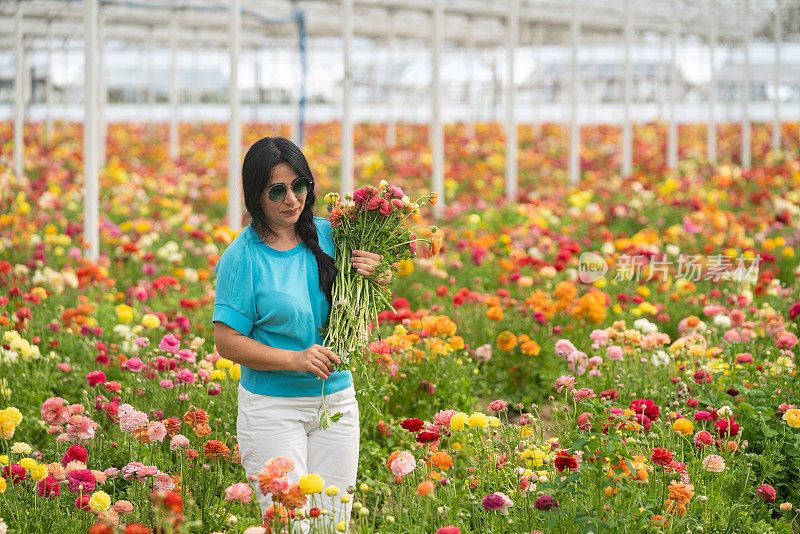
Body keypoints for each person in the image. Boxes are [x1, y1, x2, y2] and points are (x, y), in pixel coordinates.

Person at [212, 136, 390, 530]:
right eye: (277, 190)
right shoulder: (242, 258)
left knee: (333, 521)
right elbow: (226, 342)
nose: (291, 198)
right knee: (291, 524)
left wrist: (379, 274)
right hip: (272, 410)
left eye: (299, 185)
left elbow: (362, 297)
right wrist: (295, 359)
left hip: (337, 400)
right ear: (255, 196)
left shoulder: (334, 237)